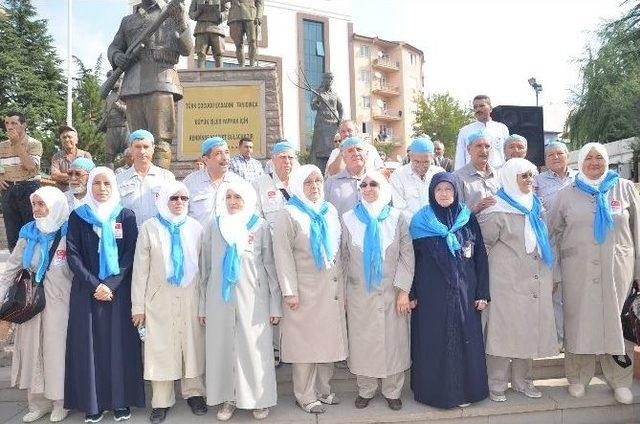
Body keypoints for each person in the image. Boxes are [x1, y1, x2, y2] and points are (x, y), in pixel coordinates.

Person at [549, 143, 639, 405]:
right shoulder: (567, 193)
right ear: (580, 161)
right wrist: (554, 272)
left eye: (599, 158)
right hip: (578, 270)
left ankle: (620, 379)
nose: (594, 163)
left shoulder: (623, 187)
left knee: (618, 322)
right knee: (579, 323)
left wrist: (639, 270)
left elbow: (638, 228)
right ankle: (578, 377)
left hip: (618, 267)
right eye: (589, 158)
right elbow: (552, 233)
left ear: (607, 160)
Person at [64, 167, 145, 422]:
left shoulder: (126, 216)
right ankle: (93, 403)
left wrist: (110, 284)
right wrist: (94, 285)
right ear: (90, 187)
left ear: (114, 186)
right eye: (97, 183)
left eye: (107, 183)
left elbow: (130, 255)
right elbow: (73, 255)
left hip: (118, 293)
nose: (102, 188)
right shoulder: (78, 217)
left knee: (119, 346)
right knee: (90, 348)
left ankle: (121, 401)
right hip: (87, 293)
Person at [200, 179, 282, 421]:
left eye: (238, 197)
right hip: (219, 300)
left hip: (254, 300)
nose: (233, 202)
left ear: (247, 200)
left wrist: (275, 304)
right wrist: (202, 306)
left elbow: (270, 268)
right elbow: (206, 269)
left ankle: (260, 399)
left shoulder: (259, 226)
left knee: (254, 350)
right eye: (228, 197)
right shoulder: (214, 226)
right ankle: (228, 399)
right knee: (223, 349)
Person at [409, 172, 489, 408]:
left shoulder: (467, 219)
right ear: (432, 193)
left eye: (448, 190)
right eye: (439, 190)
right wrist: (411, 292)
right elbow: (410, 260)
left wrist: (482, 292)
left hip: (465, 293)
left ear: (456, 192)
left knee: (465, 340)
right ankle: (433, 394)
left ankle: (465, 393)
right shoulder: (419, 221)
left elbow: (480, 257)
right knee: (434, 343)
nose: (444, 194)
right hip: (431, 297)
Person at [272, 165, 347, 414]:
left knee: (326, 343)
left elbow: (339, 251)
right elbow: (282, 255)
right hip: (304, 290)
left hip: (330, 288)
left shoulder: (329, 210)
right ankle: (304, 395)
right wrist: (289, 291)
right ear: (297, 185)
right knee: (305, 345)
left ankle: (323, 390)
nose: (314, 186)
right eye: (308, 182)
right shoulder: (289, 214)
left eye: (317, 181)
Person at [482, 158, 558, 402]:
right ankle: (496, 384)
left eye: (531, 175)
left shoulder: (536, 206)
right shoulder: (497, 208)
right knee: (501, 333)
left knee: (528, 330)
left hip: (534, 280)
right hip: (505, 282)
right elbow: (483, 245)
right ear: (510, 177)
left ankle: (523, 382)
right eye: (523, 176)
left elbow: (546, 242)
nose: (528, 180)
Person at [131, 181, 206, 423]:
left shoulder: (196, 228)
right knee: (161, 350)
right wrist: (138, 307)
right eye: (174, 198)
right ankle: (161, 401)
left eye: (184, 199)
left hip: (190, 297)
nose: (179, 203)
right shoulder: (149, 228)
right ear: (163, 199)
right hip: (158, 299)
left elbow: (204, 271)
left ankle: (194, 393)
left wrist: (204, 305)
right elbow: (140, 271)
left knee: (191, 345)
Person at [341, 171, 414, 411]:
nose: (369, 188)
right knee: (363, 343)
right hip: (359, 293)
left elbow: (407, 256)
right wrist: (342, 294)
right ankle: (366, 390)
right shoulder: (348, 218)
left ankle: (393, 391)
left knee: (394, 342)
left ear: (383, 188)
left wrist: (403, 291)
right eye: (364, 185)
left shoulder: (396, 217)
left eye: (374, 184)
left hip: (392, 293)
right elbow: (342, 258)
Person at [0, 187, 71, 422]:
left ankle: (60, 402)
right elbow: (12, 268)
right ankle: (37, 403)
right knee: (32, 351)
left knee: (56, 351)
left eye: (43, 204)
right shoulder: (28, 233)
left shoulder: (68, 233)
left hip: (59, 302)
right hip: (29, 302)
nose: (37, 210)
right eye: (35, 205)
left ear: (55, 205)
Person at [107, 0, 194, 167]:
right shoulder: (128, 21)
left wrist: (181, 20)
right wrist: (116, 56)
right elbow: (114, 47)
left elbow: (187, 49)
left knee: (161, 139)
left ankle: (161, 184)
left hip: (162, 80)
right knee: (138, 139)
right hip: (133, 85)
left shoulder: (173, 13)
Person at [534, 141, 576, 347]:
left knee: (577, 290)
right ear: (545, 160)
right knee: (555, 292)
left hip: (576, 242)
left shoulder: (579, 178)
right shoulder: (537, 181)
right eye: (551, 155)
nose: (556, 157)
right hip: (549, 242)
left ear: (567, 156)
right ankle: (559, 339)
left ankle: (577, 338)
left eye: (560, 153)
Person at [0, 111, 42, 252]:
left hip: (29, 187)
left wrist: (17, 144)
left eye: (14, 123)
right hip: (8, 189)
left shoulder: (34, 143)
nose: (9, 127)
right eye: (7, 123)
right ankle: (17, 270)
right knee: (12, 232)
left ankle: (32, 268)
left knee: (32, 228)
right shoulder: (2, 146)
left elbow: (31, 167)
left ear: (24, 125)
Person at [117, 130, 176, 227]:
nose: (142, 151)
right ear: (130, 149)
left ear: (153, 149)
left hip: (158, 234)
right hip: (130, 236)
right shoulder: (119, 179)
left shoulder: (166, 177)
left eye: (146, 147)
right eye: (137, 147)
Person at [183, 137, 243, 224]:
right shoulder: (190, 183)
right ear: (206, 159)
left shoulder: (238, 183)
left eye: (227, 152)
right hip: (200, 237)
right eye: (218, 153)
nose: (225, 158)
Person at [389, 137, 445, 221]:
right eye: (417, 162)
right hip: (410, 228)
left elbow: (445, 202)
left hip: (437, 226)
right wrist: (420, 224)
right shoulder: (398, 175)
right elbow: (399, 208)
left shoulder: (440, 173)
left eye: (426, 162)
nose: (421, 166)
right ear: (410, 156)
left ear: (433, 157)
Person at [453, 95, 509, 170]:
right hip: (472, 175)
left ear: (490, 109)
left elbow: (508, 153)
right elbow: (460, 157)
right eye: (475, 107)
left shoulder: (501, 128)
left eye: (481, 106)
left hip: (498, 173)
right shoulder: (465, 131)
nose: (478, 109)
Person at [454, 130, 500, 218]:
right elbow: (455, 212)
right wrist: (475, 209)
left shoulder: (498, 175)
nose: (484, 150)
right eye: (479, 146)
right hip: (472, 229)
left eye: (487, 146)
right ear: (469, 149)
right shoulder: (457, 177)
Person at [324, 136, 370, 217]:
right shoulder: (331, 183)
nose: (355, 153)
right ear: (344, 158)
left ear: (367, 154)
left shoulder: (378, 180)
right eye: (350, 151)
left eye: (359, 149)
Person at [253, 141, 297, 226]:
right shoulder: (259, 184)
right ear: (273, 159)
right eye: (282, 157)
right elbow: (255, 216)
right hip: (271, 237)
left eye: (290, 157)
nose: (287, 161)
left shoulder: (301, 184)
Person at [309, 73, 344, 171]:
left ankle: (332, 165)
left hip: (333, 124)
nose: (329, 81)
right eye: (327, 78)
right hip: (322, 124)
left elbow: (340, 109)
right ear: (324, 80)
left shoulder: (334, 95)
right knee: (320, 148)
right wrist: (318, 100)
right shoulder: (317, 92)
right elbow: (313, 107)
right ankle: (320, 166)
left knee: (332, 147)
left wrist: (340, 119)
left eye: (331, 79)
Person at [50, 126, 93, 191]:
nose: (67, 139)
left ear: (76, 140)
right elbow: (54, 175)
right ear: (61, 140)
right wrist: (78, 176)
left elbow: (89, 175)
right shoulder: (57, 156)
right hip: (63, 194)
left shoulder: (85, 155)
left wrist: (63, 177)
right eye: (64, 137)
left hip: (82, 193)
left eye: (69, 137)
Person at [189, 0, 228, 68]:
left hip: (217, 28)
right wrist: (198, 12)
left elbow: (227, 11)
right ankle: (200, 75)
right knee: (201, 54)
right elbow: (191, 14)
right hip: (201, 28)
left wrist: (220, 15)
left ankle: (219, 75)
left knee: (219, 54)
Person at [102, 72, 129, 167]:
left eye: (116, 79)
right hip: (111, 129)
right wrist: (103, 123)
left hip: (124, 128)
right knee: (109, 157)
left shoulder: (126, 94)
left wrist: (119, 107)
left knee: (129, 155)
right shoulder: (108, 97)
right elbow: (105, 113)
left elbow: (131, 112)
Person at [228, 0, 263, 66]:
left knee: (252, 40)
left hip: (251, 14)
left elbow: (260, 2)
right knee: (238, 43)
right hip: (235, 15)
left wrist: (259, 16)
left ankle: (252, 64)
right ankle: (241, 65)